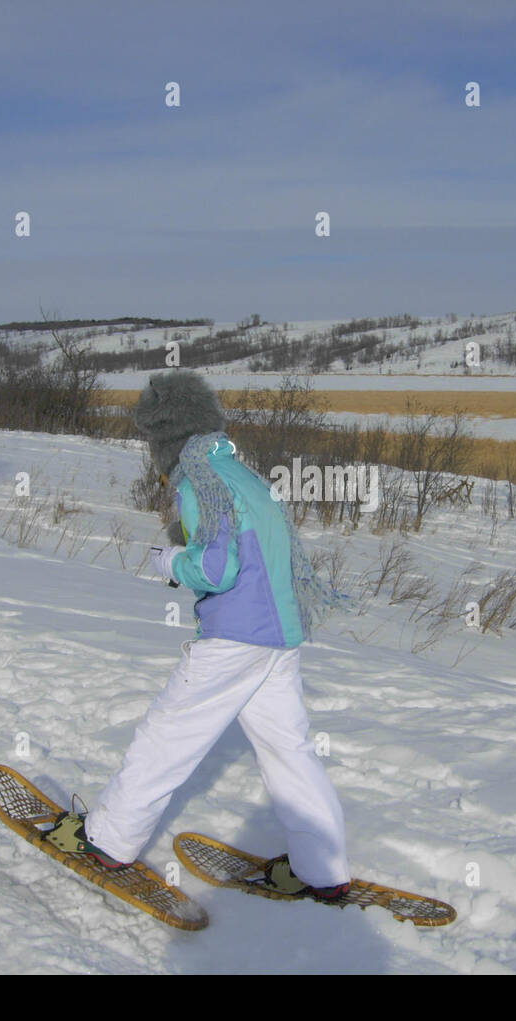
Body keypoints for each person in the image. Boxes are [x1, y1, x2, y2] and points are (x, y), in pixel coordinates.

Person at [44, 370, 351, 899]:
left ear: (167, 438)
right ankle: (322, 870)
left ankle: (108, 841)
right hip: (279, 639)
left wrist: (171, 560)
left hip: (235, 638)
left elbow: (215, 569)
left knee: (167, 735)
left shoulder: (199, 483)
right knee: (289, 753)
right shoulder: (243, 476)